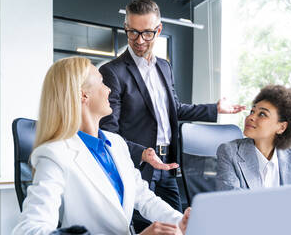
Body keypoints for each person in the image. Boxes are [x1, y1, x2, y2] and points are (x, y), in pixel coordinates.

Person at [99, 0, 245, 231]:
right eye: (132, 32)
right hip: (137, 167)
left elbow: (174, 110)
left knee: (180, 227)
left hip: (167, 164)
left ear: (158, 30)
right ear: (126, 27)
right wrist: (142, 153)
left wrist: (214, 109)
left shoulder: (164, 67)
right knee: (145, 229)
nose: (139, 40)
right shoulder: (112, 72)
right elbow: (108, 132)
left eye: (147, 33)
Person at [12, 57, 190, 235]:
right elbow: (29, 229)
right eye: (102, 82)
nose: (109, 89)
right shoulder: (55, 154)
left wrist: (180, 221)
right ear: (84, 95)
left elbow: (144, 198)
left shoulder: (117, 144)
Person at [216, 85, 291, 221]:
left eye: (262, 114)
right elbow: (234, 206)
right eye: (252, 111)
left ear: (281, 127)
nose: (251, 117)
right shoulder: (229, 152)